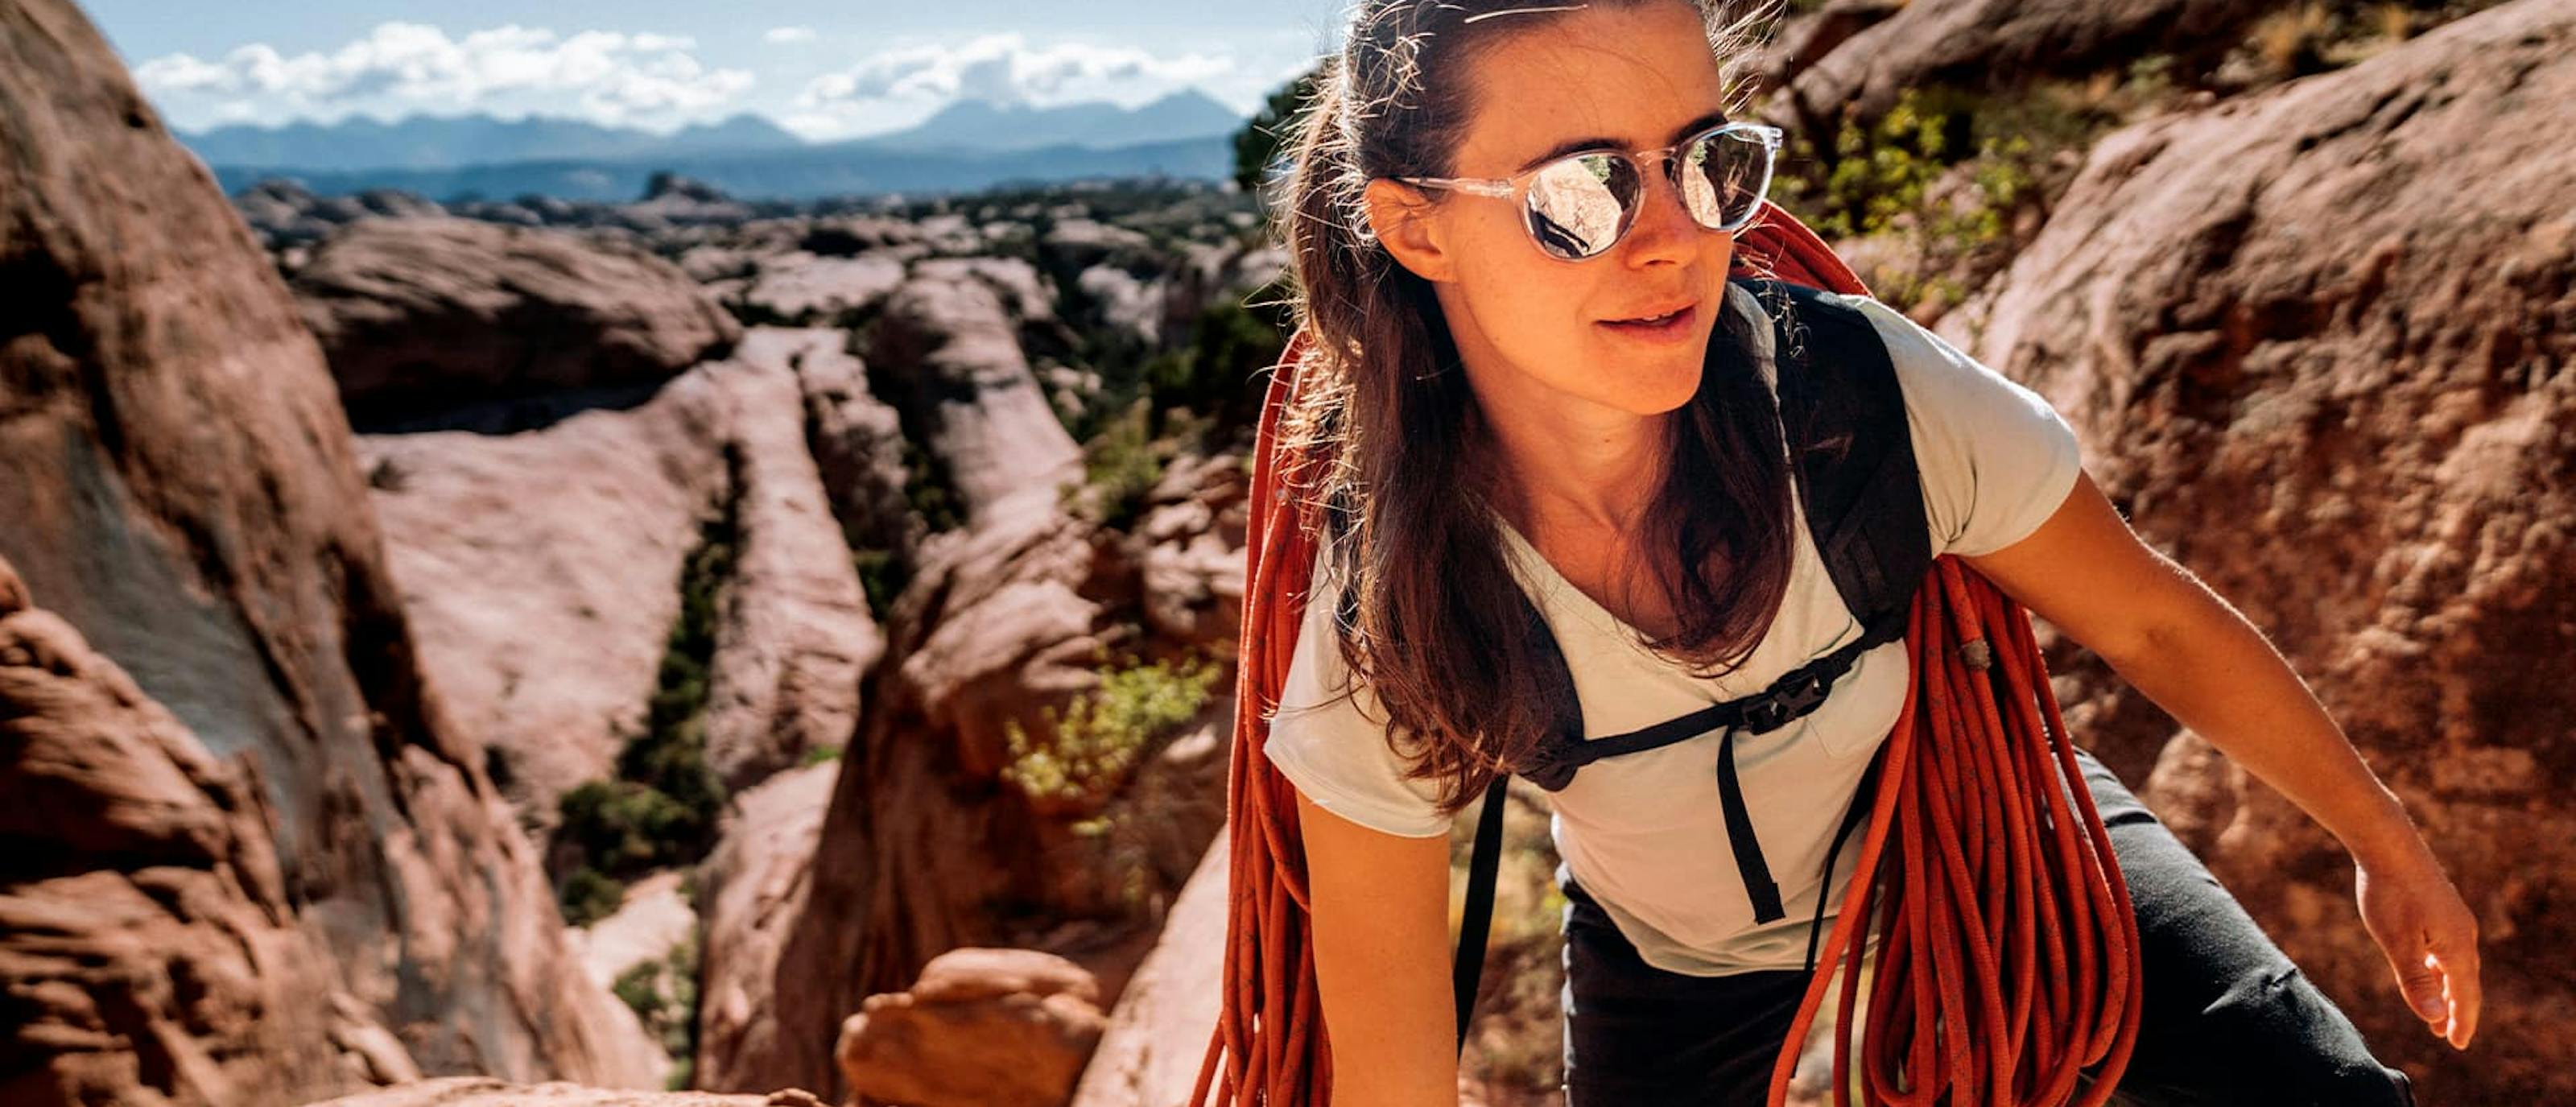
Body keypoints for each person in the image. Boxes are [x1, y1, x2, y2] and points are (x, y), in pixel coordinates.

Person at [1249, 1, 2485, 1105]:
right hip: (1678, 962)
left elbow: (2153, 623)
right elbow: (1392, 1072)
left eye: (1708, 162)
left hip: (1990, 834)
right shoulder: (1393, 604)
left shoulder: (1859, 398)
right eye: (1581, 191)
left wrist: (2389, 848)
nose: (1675, 236)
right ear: (1418, 231)